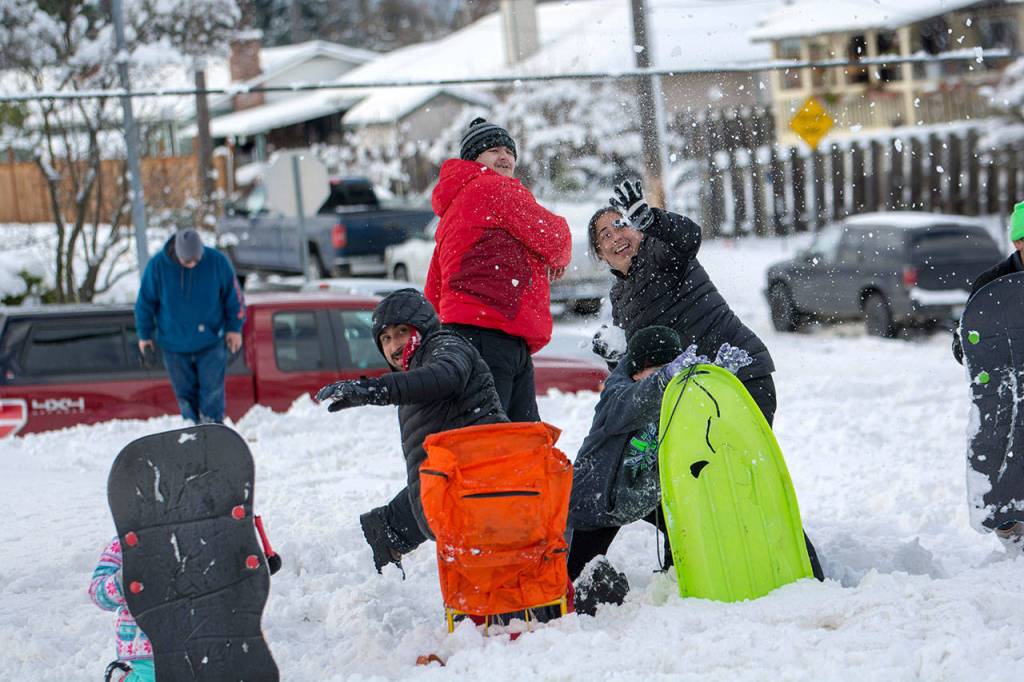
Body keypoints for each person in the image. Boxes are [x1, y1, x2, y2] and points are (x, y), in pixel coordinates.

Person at [315, 288, 507, 574]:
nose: (394, 346)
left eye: (402, 331)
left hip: (485, 488)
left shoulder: (445, 345)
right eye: (386, 338)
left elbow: (446, 376)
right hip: (461, 499)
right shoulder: (410, 376)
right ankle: (388, 531)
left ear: (423, 328)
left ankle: (388, 530)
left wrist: (376, 390)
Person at [589, 179, 777, 422]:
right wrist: (615, 358)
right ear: (601, 254)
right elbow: (639, 368)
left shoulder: (659, 251)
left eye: (621, 225)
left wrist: (652, 220)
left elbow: (689, 236)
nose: (616, 237)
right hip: (692, 393)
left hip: (737, 374)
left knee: (743, 458)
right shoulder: (620, 298)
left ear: (636, 229)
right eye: (606, 235)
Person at [426, 117, 572, 422]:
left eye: (509, 151)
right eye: (493, 150)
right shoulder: (493, 188)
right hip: (492, 334)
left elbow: (435, 288)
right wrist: (552, 257)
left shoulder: (454, 208)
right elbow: (555, 238)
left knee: (491, 437)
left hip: (469, 335)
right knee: (505, 442)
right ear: (473, 160)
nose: (504, 157)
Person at [567, 326, 692, 615]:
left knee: (681, 524)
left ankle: (675, 578)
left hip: (641, 490)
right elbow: (639, 400)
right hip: (598, 500)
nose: (668, 379)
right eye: (658, 370)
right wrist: (667, 376)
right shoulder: (618, 396)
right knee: (574, 575)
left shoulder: (666, 395)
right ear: (637, 372)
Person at [952, 201, 1024, 552]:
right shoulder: (991, 285)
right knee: (1002, 456)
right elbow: (965, 340)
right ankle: (1009, 527)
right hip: (1005, 394)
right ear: (1017, 242)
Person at [134, 229, 245, 424]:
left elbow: (234, 297)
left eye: (197, 260)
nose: (193, 265)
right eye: (187, 262)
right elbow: (144, 304)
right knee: (186, 397)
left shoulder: (217, 262)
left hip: (211, 342)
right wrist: (144, 337)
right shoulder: (157, 266)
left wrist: (234, 328)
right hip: (174, 345)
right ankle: (192, 431)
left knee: (212, 394)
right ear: (176, 254)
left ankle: (212, 431)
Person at [89, 537, 154, 682]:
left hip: (195, 631)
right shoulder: (124, 541)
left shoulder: (199, 532)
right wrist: (123, 580)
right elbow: (97, 593)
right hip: (145, 642)